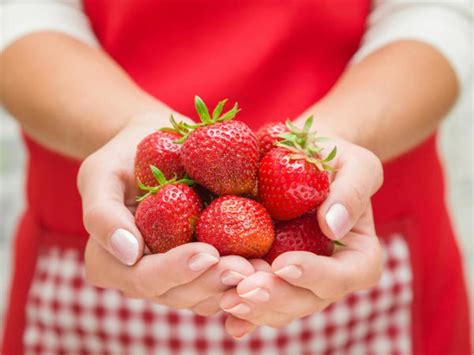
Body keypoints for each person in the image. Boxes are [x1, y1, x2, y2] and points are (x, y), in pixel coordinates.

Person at [0, 0, 471, 354]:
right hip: (112, 219)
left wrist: (336, 136)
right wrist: (127, 130)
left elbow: (436, 10)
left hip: (357, 235)